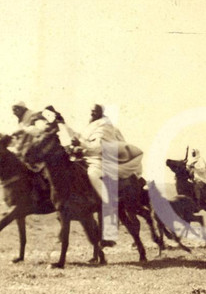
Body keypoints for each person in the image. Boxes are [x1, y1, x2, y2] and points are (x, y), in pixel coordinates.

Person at [61, 104, 144, 244]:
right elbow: (80, 137)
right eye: (91, 111)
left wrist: (81, 145)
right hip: (88, 157)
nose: (92, 114)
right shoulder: (92, 126)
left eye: (95, 112)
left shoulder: (104, 127)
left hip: (101, 159)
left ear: (100, 113)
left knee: (92, 174)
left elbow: (99, 147)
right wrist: (65, 125)